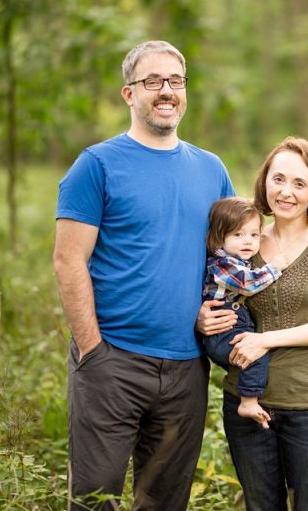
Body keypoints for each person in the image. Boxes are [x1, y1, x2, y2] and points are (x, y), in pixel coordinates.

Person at [53, 40, 235, 510]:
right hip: (111, 362)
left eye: (175, 81)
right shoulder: (96, 166)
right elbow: (68, 260)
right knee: (95, 502)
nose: (166, 91)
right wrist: (92, 350)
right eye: (152, 81)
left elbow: (240, 248)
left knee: (164, 503)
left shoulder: (211, 169)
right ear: (129, 94)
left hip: (185, 369)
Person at [198, 136, 308, 511]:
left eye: (299, 183)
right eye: (278, 179)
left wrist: (265, 340)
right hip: (246, 401)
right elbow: (207, 287)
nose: (286, 192)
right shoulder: (241, 239)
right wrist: (201, 316)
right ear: (264, 182)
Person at [202, 197, 283, 430]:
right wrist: (275, 266)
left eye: (254, 235)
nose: (247, 241)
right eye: (238, 235)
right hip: (221, 333)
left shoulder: (237, 259)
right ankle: (248, 402)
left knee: (253, 354)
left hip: (232, 327)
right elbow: (249, 284)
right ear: (219, 238)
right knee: (254, 353)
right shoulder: (222, 264)